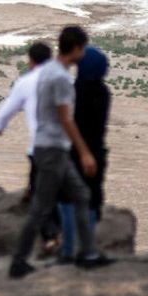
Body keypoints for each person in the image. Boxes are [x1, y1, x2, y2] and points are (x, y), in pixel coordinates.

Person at [10, 26, 113, 277]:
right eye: (82, 49)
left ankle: (84, 254)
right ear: (75, 48)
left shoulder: (51, 74)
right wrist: (84, 152)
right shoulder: (64, 80)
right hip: (55, 149)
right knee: (43, 208)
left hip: (55, 148)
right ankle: (20, 261)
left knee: (77, 196)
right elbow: (66, 119)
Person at [56, 44, 111, 263]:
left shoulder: (73, 92)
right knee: (91, 200)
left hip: (73, 153)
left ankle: (68, 250)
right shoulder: (103, 93)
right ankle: (87, 250)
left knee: (67, 199)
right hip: (96, 153)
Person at [0, 41, 53, 202]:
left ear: (31, 60)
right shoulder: (66, 81)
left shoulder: (26, 82)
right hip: (67, 148)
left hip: (41, 148)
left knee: (37, 196)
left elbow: (7, 109)